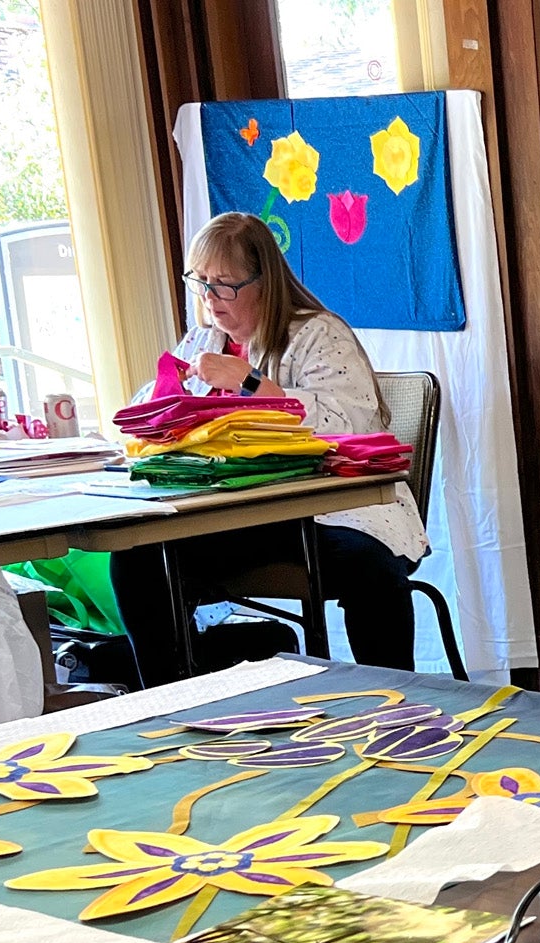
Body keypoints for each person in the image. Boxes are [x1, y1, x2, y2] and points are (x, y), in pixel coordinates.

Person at [111, 211, 427, 686]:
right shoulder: (202, 340)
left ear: (264, 282)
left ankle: (397, 700)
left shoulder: (319, 333)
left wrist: (252, 384)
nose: (210, 299)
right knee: (136, 556)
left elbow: (353, 421)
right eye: (201, 283)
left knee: (371, 566)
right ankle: (174, 697)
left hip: (328, 511)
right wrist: (164, 407)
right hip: (241, 515)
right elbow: (143, 417)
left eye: (225, 285)